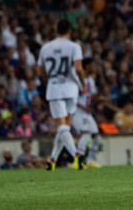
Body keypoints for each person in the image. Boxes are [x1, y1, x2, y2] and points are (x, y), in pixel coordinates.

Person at [38, 19, 86, 171]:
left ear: (56, 31)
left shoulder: (46, 47)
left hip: (55, 89)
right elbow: (78, 68)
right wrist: (83, 83)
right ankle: (52, 160)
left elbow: (40, 72)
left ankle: (76, 155)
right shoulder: (74, 46)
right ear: (70, 31)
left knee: (62, 128)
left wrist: (51, 78)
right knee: (65, 128)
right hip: (71, 89)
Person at [72, 58, 102, 168]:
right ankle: (78, 161)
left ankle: (90, 160)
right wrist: (83, 108)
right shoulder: (77, 79)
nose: (95, 68)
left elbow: (90, 96)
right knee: (86, 133)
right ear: (87, 66)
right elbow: (71, 97)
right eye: (93, 65)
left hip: (86, 113)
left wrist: (100, 100)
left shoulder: (91, 80)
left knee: (96, 136)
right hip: (77, 112)